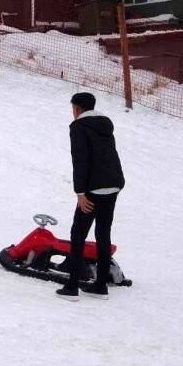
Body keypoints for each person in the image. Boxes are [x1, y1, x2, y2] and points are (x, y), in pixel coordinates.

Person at [56, 92, 125, 301]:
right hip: (113, 185)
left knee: (78, 235)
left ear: (77, 109)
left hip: (94, 189)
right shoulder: (105, 124)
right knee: (103, 234)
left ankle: (72, 287)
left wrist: (80, 193)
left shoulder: (78, 127)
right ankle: (100, 285)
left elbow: (80, 161)